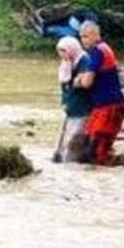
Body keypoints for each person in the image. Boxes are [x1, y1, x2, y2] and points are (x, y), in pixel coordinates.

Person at [78, 20, 124, 165]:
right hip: (105, 106)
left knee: (94, 151)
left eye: (85, 37)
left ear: (95, 35)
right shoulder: (104, 48)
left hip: (109, 107)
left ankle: (106, 182)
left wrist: (77, 80)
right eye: (81, 37)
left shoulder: (96, 52)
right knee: (88, 146)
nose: (82, 41)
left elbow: (87, 83)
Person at [52, 35, 93, 163]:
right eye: (60, 51)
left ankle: (72, 165)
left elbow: (84, 82)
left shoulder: (84, 61)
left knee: (74, 139)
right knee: (62, 141)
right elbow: (67, 84)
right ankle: (61, 163)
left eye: (64, 51)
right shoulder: (67, 64)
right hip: (70, 107)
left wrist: (78, 82)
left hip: (82, 108)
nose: (62, 55)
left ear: (72, 49)